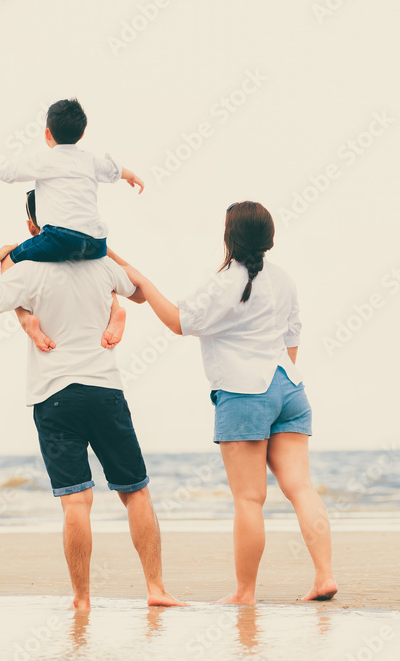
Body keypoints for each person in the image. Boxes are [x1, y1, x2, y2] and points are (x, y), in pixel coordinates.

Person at [0, 200, 185, 611]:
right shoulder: (100, 266)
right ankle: (156, 588)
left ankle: (81, 599)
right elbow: (139, 290)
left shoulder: (25, 271)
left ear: (33, 225)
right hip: (104, 391)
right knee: (136, 494)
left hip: (54, 394)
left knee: (76, 502)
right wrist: (106, 251)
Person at [122, 201, 338, 604]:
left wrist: (145, 282)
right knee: (302, 488)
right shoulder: (284, 279)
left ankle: (245, 592)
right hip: (288, 387)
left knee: (249, 499)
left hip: (244, 394)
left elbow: (178, 321)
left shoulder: (225, 283)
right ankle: (324, 576)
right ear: (268, 237)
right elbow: (293, 338)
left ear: (230, 236)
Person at [0, 98, 143, 352]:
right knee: (99, 268)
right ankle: (115, 311)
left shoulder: (43, 161)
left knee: (9, 261)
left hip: (60, 238)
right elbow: (117, 171)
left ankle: (25, 319)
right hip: (96, 242)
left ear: (47, 134)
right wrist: (134, 177)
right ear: (83, 133)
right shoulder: (91, 161)